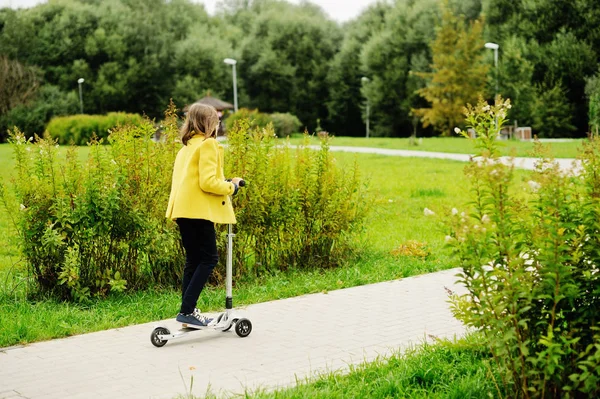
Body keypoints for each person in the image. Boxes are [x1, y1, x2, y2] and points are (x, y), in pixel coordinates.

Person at [165, 103, 243, 327]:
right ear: (209, 123)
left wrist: (225, 182)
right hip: (198, 212)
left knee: (193, 260)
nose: (218, 125)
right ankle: (187, 311)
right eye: (216, 121)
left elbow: (194, 181)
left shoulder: (186, 147)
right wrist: (232, 187)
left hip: (182, 210)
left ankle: (186, 313)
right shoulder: (209, 145)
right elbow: (208, 182)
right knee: (209, 258)